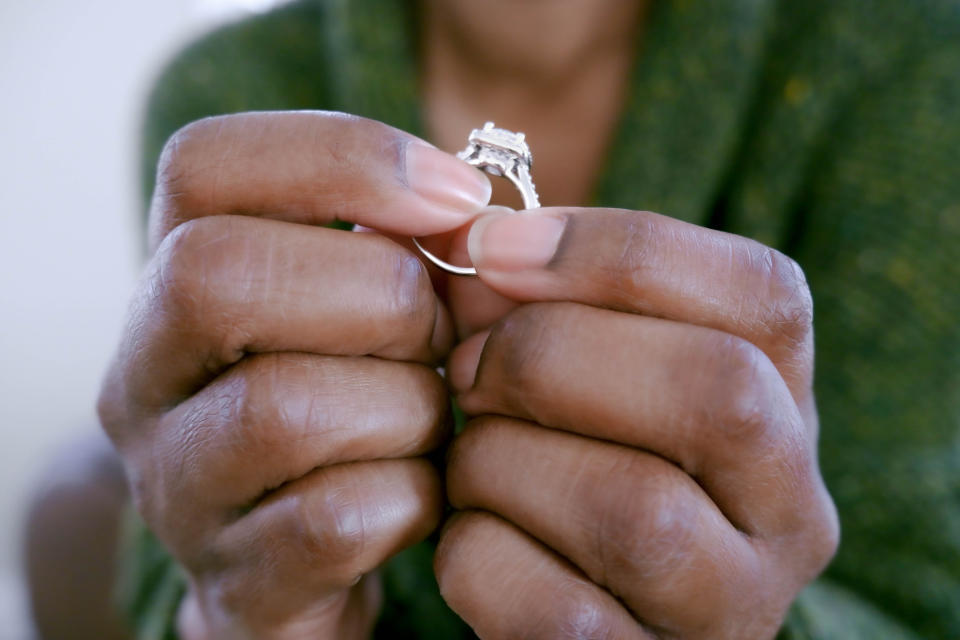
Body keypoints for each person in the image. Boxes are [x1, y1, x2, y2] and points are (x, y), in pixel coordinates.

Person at [26, 0, 960, 638]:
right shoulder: (229, 84)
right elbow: (185, 534)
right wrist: (239, 613)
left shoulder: (907, 62)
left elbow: (917, 593)